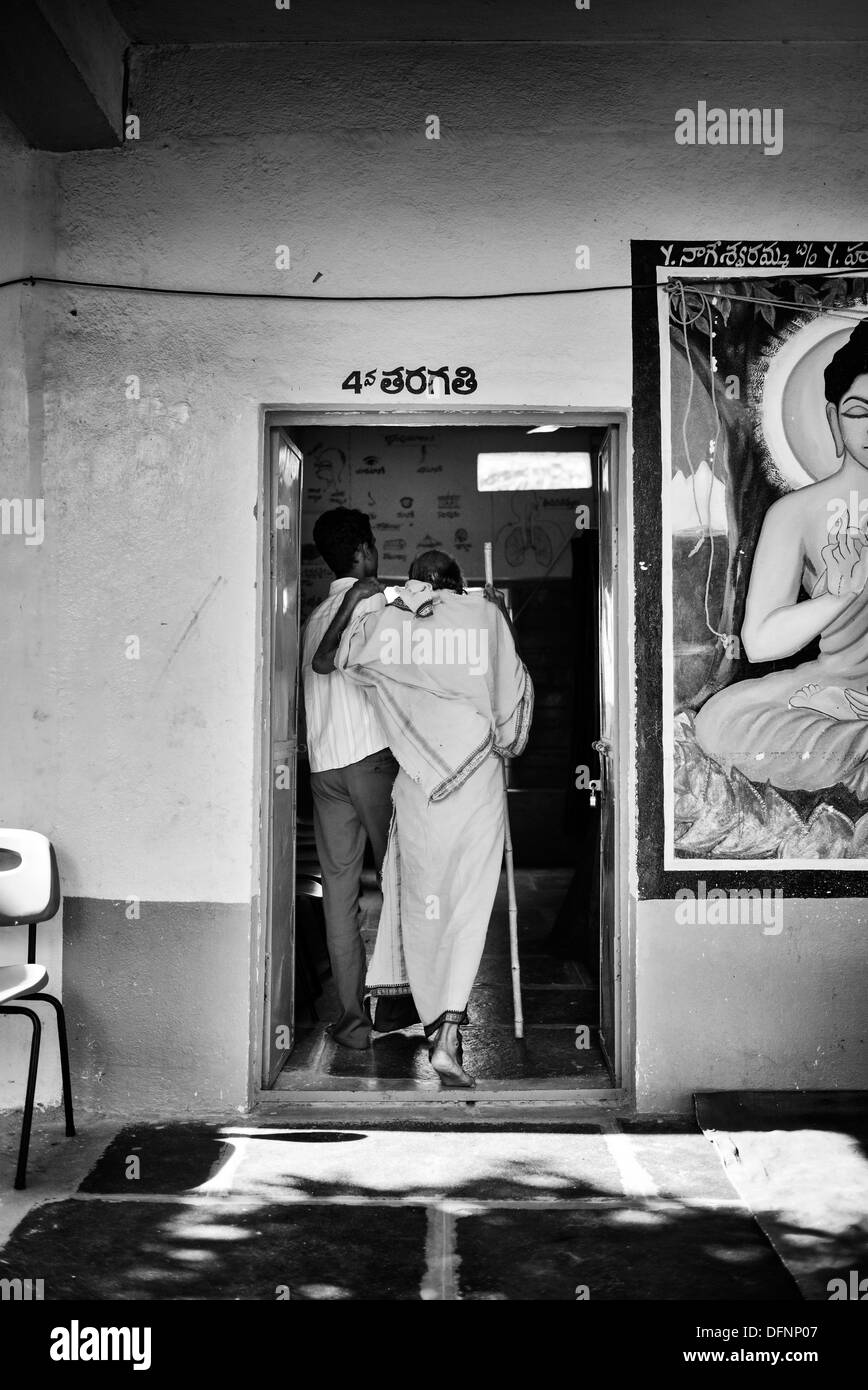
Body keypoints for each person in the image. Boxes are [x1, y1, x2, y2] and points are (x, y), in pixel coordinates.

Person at [313, 548, 534, 1086]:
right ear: (457, 586)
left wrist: (367, 601)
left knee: (422, 906)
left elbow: (328, 662)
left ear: (413, 586)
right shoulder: (484, 618)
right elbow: (512, 711)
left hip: (416, 783)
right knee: (469, 908)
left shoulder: (386, 624)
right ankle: (448, 1036)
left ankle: (427, 1014)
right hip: (477, 781)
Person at [694, 318, 868, 800]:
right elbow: (762, 642)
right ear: (833, 420)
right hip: (835, 690)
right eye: (860, 411)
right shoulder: (796, 512)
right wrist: (837, 597)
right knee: (722, 721)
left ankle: (851, 758)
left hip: (841, 711)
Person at [302, 508, 418, 1049]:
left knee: (340, 899)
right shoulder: (375, 604)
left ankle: (351, 1025)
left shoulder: (313, 618)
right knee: (402, 884)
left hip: (324, 768)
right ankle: (405, 1006)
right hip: (373, 761)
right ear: (365, 550)